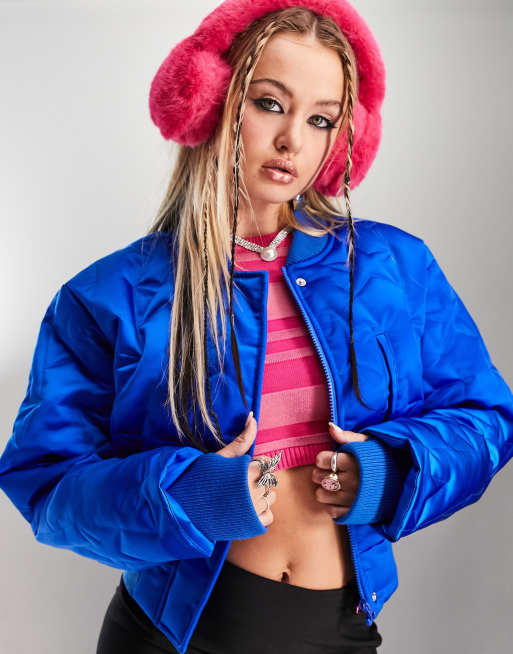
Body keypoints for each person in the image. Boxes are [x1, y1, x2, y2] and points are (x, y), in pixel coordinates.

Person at [1, 1, 512, 653]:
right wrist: (187, 492)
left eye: (321, 119)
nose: (293, 140)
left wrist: (389, 470)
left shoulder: (392, 267)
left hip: (334, 630)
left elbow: (486, 418)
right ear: (211, 102)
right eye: (270, 103)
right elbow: (46, 483)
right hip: (167, 635)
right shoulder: (111, 296)